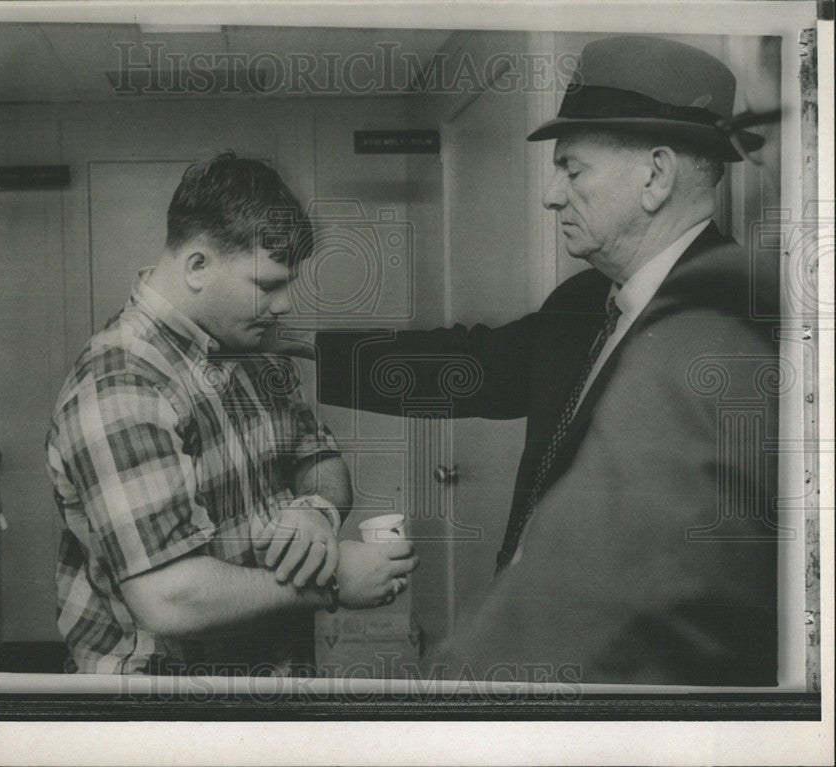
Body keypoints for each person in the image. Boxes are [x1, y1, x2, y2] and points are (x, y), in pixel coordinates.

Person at [267, 36, 780, 685]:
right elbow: (472, 364)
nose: (551, 195)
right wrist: (305, 351)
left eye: (572, 168)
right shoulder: (585, 299)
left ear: (655, 176)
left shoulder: (730, 332)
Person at [45, 153, 419, 676]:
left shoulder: (250, 345)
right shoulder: (122, 382)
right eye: (268, 285)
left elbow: (319, 455)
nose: (284, 306)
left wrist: (317, 510)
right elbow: (168, 598)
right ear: (198, 266)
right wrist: (331, 582)